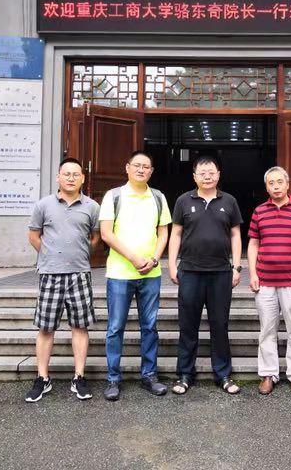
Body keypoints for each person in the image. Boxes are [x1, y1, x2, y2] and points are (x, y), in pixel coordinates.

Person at [25, 158, 100, 403]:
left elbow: (96, 238)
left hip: (80, 274)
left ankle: (79, 376)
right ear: (58, 177)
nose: (71, 178)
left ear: (83, 178)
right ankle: (42, 378)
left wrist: (80, 255)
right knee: (46, 328)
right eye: (66, 174)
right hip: (50, 274)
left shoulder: (91, 207)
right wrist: (50, 255)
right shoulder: (43, 205)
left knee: (80, 326)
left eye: (75, 174)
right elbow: (34, 236)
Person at [99, 150, 172, 401]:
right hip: (120, 273)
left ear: (151, 172)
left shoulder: (158, 197)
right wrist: (133, 258)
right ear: (127, 167)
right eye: (137, 165)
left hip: (151, 273)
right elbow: (106, 233)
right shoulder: (113, 196)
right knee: (115, 327)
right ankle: (113, 378)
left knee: (149, 326)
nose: (141, 170)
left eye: (146, 167)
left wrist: (154, 259)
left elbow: (163, 232)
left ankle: (149, 375)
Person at [168, 155, 243, 395]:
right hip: (190, 271)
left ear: (218, 175)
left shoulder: (229, 201)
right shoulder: (183, 201)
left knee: (219, 325)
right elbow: (176, 233)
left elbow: (235, 235)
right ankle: (184, 374)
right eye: (203, 173)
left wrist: (236, 267)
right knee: (187, 325)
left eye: (211, 172)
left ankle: (223, 374)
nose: (207, 176)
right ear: (194, 177)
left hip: (220, 272)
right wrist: (171, 264)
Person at [248, 166, 291, 395]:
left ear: (287, 184)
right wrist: (253, 273)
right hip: (265, 281)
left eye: (279, 182)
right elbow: (253, 244)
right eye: (271, 183)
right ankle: (268, 374)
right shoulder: (259, 211)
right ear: (266, 187)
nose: (276, 187)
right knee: (267, 330)